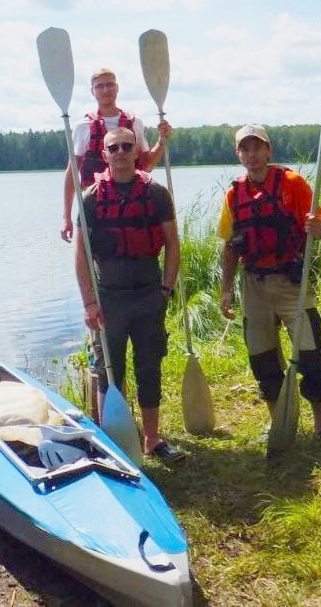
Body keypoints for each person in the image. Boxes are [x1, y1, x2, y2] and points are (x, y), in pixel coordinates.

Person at [218, 125, 321, 448]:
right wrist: (226, 290)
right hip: (254, 284)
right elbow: (230, 246)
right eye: (245, 149)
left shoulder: (292, 184)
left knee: (311, 354)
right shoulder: (233, 194)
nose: (251, 154)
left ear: (268, 151)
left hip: (290, 282)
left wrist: (318, 228)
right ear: (238, 154)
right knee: (263, 359)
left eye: (257, 147)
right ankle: (278, 425)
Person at [74, 126, 185, 462]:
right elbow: (80, 254)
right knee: (110, 371)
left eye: (126, 146)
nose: (120, 152)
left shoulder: (156, 194)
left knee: (149, 366)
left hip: (148, 294)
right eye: (113, 148)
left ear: (137, 151)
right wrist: (89, 302)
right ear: (105, 155)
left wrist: (166, 289)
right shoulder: (91, 198)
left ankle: (151, 439)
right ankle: (115, 441)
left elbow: (172, 243)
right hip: (109, 297)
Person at [61, 67, 171, 242]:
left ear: (117, 88)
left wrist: (161, 141)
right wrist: (66, 216)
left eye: (110, 85)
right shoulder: (83, 127)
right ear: (92, 91)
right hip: (98, 204)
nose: (106, 90)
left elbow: (147, 165)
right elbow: (72, 172)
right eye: (100, 86)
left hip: (135, 202)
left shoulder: (134, 123)